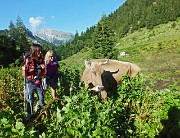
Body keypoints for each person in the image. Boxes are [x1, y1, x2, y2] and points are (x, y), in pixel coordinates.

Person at [22, 43, 45, 120]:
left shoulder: (41, 60)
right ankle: (29, 114)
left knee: (41, 97)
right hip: (30, 83)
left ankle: (42, 111)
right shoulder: (28, 60)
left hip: (38, 83)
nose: (41, 53)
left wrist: (43, 69)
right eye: (39, 51)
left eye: (41, 51)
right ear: (35, 51)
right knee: (30, 99)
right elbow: (23, 74)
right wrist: (24, 69)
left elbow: (43, 73)